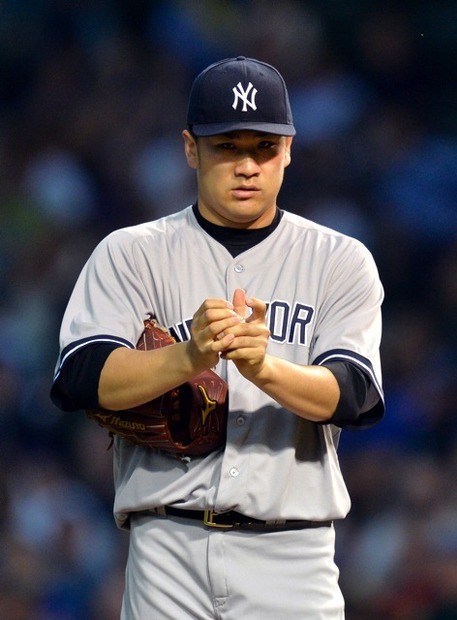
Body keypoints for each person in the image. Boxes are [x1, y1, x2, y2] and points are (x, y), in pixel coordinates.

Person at [51, 56, 384, 619]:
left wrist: (264, 368)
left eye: (264, 147)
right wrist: (189, 356)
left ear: (289, 150)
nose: (247, 166)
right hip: (167, 549)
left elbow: (354, 396)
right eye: (227, 146)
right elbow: (79, 378)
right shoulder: (132, 253)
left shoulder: (339, 259)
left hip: (292, 554)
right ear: (190, 149)